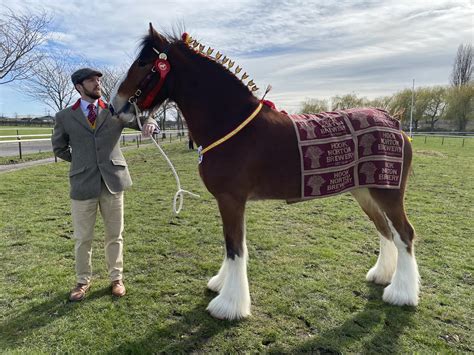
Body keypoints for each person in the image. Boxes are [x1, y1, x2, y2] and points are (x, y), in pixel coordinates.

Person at [52, 68, 157, 301]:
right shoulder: (64, 117)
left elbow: (141, 120)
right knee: (83, 238)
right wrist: (82, 161)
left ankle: (116, 278)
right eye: (91, 80)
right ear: (79, 86)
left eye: (98, 79)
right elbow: (59, 148)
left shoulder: (115, 111)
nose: (97, 83)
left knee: (115, 234)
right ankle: (82, 281)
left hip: (113, 182)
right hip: (82, 183)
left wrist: (150, 121)